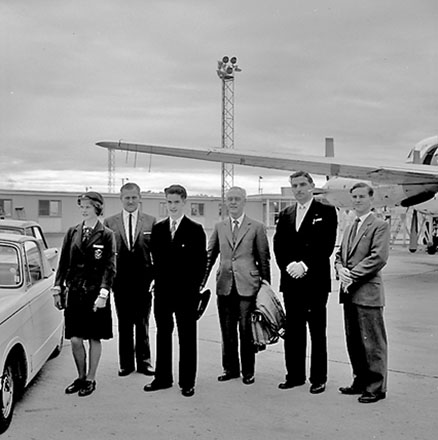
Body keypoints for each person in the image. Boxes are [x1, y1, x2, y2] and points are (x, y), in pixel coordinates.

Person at [273, 171, 337, 394]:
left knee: (317, 331)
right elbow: (278, 245)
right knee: (294, 331)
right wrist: (288, 266)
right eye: (294, 185)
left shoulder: (326, 211)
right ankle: (295, 375)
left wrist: (305, 265)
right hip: (291, 281)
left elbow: (326, 245)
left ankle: (318, 378)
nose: (298, 189)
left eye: (302, 184)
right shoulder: (286, 213)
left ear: (312, 186)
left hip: (315, 281)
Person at [203, 186, 270, 385]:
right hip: (224, 285)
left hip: (248, 286)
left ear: (244, 201)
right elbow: (210, 256)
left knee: (246, 329)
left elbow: (263, 258)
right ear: (226, 201)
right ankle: (230, 369)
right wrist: (201, 281)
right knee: (227, 330)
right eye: (230, 199)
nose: (233, 202)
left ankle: (248, 371)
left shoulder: (256, 227)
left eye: (237, 199)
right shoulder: (219, 227)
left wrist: (265, 287)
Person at [144, 184, 206, 397]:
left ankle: (187, 382)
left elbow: (201, 265)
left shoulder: (195, 230)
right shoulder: (159, 229)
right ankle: (162, 378)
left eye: (176, 202)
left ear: (184, 203)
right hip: (162, 293)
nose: (172, 206)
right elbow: (155, 261)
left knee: (187, 338)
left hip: (186, 294)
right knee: (163, 335)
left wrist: (194, 290)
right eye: (169, 202)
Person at [52, 191, 116, 397]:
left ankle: (91, 378)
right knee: (76, 339)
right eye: (81, 206)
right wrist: (57, 288)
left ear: (97, 208)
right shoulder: (72, 232)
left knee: (94, 338)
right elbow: (63, 263)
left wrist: (104, 293)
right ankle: (80, 377)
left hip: (96, 293)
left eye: (87, 206)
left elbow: (109, 267)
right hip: (75, 293)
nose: (83, 210)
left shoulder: (106, 234)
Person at [335, 182, 390, 403]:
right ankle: (359, 381)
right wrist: (339, 268)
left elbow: (378, 257)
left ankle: (376, 387)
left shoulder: (379, 225)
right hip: (349, 293)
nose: (357, 200)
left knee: (373, 343)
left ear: (371, 199)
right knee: (354, 341)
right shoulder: (350, 227)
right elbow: (339, 254)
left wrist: (352, 275)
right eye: (354, 197)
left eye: (361, 196)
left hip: (368, 293)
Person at [104, 182, 156, 377]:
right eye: (127, 197)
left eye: (134, 197)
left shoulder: (151, 221)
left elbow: (157, 253)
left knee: (142, 322)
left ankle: (144, 362)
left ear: (139, 198)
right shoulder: (110, 222)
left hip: (144, 281)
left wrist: (155, 278)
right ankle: (126, 363)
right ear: (121, 199)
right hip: (120, 281)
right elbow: (107, 254)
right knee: (124, 323)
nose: (131, 201)